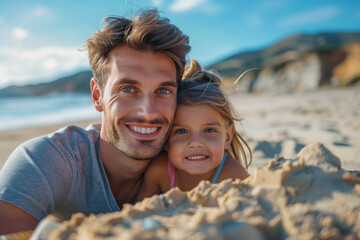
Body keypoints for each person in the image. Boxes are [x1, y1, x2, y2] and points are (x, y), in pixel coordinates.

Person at [0, 8, 190, 234]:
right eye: (128, 89)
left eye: (163, 91)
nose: (148, 112)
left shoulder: (192, 155)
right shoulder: (46, 160)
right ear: (97, 96)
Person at [136, 59, 251, 201]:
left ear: (227, 138)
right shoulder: (159, 171)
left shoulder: (232, 174)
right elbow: (137, 212)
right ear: (165, 140)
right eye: (182, 131)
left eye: (209, 130)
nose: (196, 143)